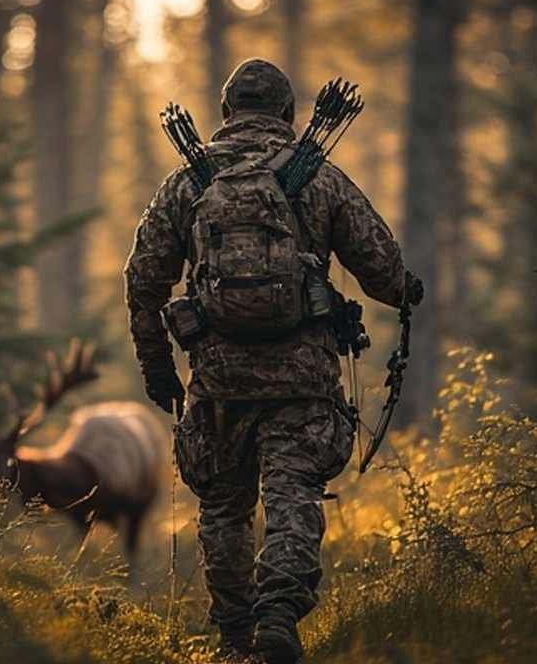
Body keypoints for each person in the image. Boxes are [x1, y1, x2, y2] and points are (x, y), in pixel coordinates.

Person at [124, 58, 422, 664]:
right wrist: (407, 290)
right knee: (293, 493)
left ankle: (234, 636)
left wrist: (158, 367)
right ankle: (278, 619)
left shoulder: (190, 182)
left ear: (227, 113)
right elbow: (384, 273)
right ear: (288, 114)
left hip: (218, 381)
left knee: (224, 505)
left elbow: (143, 279)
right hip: (302, 380)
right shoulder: (317, 175)